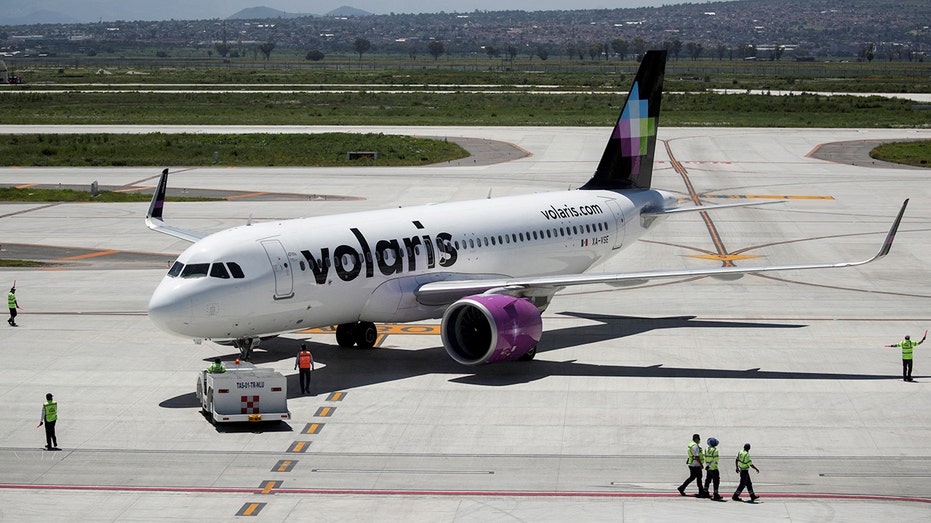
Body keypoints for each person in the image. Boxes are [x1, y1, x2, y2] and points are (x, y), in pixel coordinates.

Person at [678, 433, 708, 497]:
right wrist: (701, 464)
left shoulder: (691, 444)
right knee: (699, 478)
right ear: (696, 439)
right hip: (695, 465)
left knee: (692, 477)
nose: (699, 440)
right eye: (699, 439)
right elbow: (697, 456)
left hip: (693, 464)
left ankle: (682, 488)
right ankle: (701, 492)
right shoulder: (695, 446)